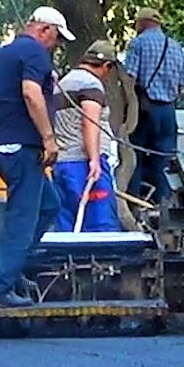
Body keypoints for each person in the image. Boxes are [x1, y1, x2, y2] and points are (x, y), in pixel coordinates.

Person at [0, 7, 75, 308]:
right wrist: (48, 138)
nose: (56, 46)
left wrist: (0, 135)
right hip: (24, 149)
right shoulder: (35, 54)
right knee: (21, 220)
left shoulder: (2, 56)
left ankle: (11, 267)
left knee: (49, 204)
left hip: (2, 147)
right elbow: (31, 93)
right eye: (56, 39)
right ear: (44, 30)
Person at [51, 41, 124, 234]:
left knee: (67, 226)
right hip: (85, 165)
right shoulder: (91, 84)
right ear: (107, 66)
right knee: (100, 227)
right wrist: (94, 160)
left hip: (62, 164)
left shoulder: (63, 84)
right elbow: (90, 122)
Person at [122, 8, 184, 202]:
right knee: (165, 161)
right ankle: (163, 206)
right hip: (168, 111)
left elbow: (129, 79)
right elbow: (182, 88)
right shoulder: (176, 47)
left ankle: (135, 203)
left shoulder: (138, 43)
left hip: (144, 109)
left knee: (135, 158)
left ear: (142, 23)